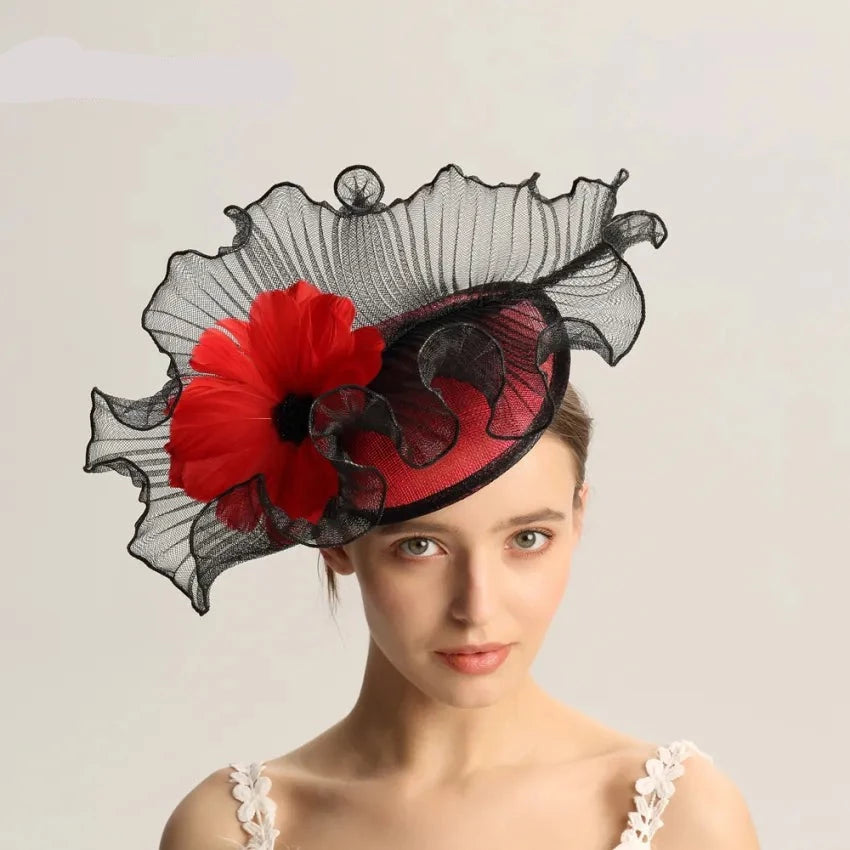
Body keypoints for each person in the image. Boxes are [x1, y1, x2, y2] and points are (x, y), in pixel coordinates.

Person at [84, 163, 760, 849]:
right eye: (421, 546)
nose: (477, 606)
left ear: (577, 517)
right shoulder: (230, 831)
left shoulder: (683, 820)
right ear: (334, 538)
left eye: (527, 539)